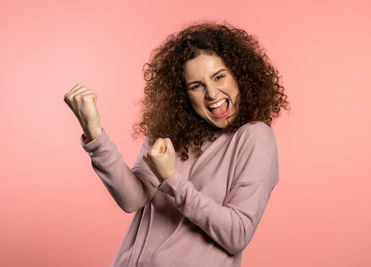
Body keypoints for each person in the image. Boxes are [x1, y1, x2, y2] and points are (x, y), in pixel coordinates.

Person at [64, 21, 290, 267]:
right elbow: (133, 199)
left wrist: (171, 180)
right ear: (183, 93)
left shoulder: (255, 137)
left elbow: (237, 234)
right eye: (196, 86)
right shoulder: (171, 130)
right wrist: (94, 133)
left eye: (219, 77)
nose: (212, 94)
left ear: (240, 75)